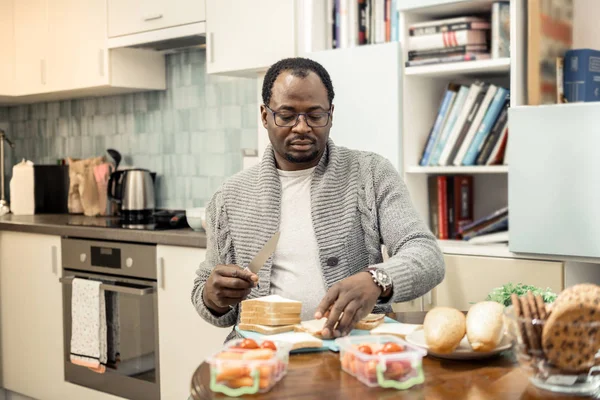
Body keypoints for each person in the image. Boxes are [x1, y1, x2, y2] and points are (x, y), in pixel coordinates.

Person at [192, 57, 445, 341]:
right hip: (261, 354)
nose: (301, 127)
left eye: (315, 115)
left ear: (331, 114)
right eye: (286, 116)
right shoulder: (228, 198)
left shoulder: (371, 174)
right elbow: (208, 294)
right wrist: (213, 297)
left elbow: (427, 255)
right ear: (265, 116)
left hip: (355, 348)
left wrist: (378, 279)